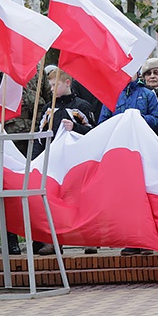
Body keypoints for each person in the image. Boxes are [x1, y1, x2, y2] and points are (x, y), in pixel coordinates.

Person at [0, 66, 50, 255]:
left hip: (33, 135)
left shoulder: (37, 68)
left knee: (35, 187)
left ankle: (39, 238)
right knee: (9, 190)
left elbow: (49, 101)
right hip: (9, 136)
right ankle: (10, 237)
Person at [34, 67, 97, 255]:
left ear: (67, 83)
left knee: (82, 199)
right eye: (50, 85)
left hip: (76, 162)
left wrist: (76, 127)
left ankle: (89, 239)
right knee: (54, 201)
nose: (52, 89)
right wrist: (34, 160)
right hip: (54, 164)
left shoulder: (82, 106)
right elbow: (40, 137)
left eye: (55, 85)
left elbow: (94, 133)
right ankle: (54, 241)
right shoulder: (48, 108)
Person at [99, 71, 158, 135]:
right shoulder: (112, 96)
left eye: (132, 70)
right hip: (118, 139)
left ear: (137, 73)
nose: (128, 73)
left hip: (141, 138)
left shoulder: (148, 94)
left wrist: (140, 118)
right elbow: (102, 124)